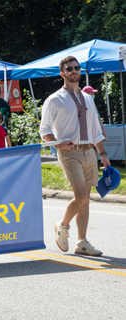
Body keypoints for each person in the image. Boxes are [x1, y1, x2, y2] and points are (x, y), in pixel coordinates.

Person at [40, 56, 110, 256]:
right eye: (69, 69)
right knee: (80, 197)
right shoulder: (54, 99)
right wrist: (58, 143)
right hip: (69, 153)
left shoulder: (87, 98)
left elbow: (96, 130)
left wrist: (102, 154)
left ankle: (82, 243)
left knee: (86, 199)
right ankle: (62, 225)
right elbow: (44, 129)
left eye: (76, 68)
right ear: (62, 73)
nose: (73, 71)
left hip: (90, 152)